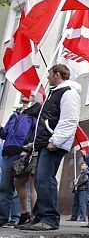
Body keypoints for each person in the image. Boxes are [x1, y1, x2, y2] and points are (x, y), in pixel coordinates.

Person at [20, 64, 81, 231]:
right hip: (46, 142)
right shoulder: (56, 93)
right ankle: (39, 217)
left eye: (49, 75)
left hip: (53, 143)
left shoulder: (68, 92)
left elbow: (69, 119)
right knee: (40, 180)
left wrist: (56, 140)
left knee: (45, 179)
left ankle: (49, 219)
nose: (47, 78)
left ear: (57, 75)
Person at [0, 96, 37, 227]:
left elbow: (34, 134)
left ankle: (17, 217)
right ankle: (3, 217)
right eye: (22, 93)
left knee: (19, 187)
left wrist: (27, 150)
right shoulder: (14, 114)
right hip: (7, 153)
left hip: (21, 154)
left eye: (27, 93)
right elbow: (5, 135)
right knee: (4, 187)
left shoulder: (33, 116)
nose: (23, 95)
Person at [14, 101, 42, 227]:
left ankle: (34, 217)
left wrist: (28, 147)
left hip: (36, 153)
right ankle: (25, 212)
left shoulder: (41, 122)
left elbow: (40, 138)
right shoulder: (33, 122)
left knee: (33, 186)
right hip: (28, 153)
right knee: (18, 182)